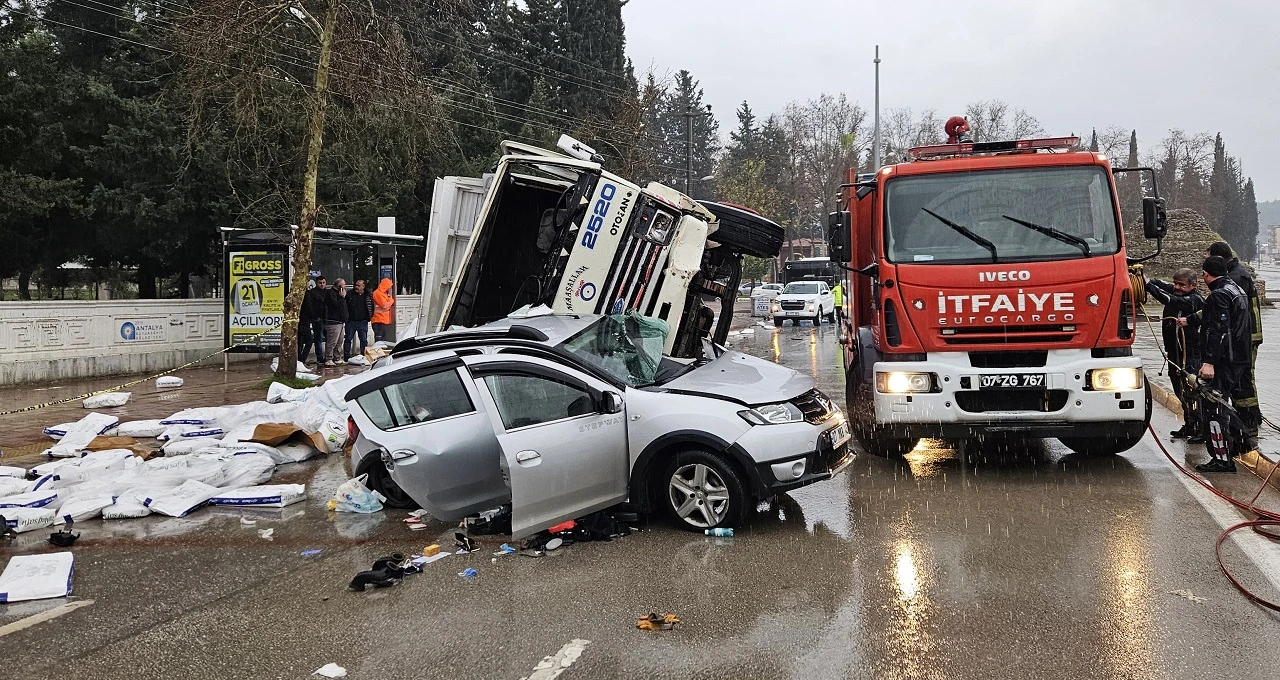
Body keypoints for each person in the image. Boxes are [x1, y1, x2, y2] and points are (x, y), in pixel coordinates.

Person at [1189, 256, 1251, 473]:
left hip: (1225, 359)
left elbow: (1219, 331)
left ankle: (1222, 458)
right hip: (1239, 357)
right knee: (1221, 402)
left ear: (1206, 274)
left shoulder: (1219, 295)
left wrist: (1209, 362)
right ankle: (1242, 440)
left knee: (1213, 404)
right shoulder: (1236, 289)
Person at [1207, 242, 1263, 442]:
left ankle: (1248, 422)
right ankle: (1243, 422)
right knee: (1241, 380)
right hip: (1243, 337)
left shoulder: (1235, 278)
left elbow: (1226, 314)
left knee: (1243, 380)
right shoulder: (1237, 274)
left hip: (1244, 339)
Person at [1145, 268, 1204, 442]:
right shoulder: (1178, 291)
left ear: (1193, 285)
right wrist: (1145, 278)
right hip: (1174, 351)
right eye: (1175, 283)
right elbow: (1163, 286)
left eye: (1181, 285)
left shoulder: (1193, 300)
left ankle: (1200, 428)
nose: (1177, 287)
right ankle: (1189, 424)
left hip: (1190, 352)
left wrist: (1148, 286)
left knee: (1191, 389)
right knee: (1179, 388)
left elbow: (1168, 298)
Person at [301, 276, 329, 366]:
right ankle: (320, 358)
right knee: (318, 339)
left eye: (323, 283)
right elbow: (310, 307)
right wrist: (314, 317)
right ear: (316, 283)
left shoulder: (327, 292)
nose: (322, 284)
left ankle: (328, 357)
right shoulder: (312, 293)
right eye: (320, 283)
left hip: (327, 318)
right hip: (316, 319)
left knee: (329, 339)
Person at [345, 278, 373, 360]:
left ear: (363, 286)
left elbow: (371, 306)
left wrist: (369, 316)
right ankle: (346, 356)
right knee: (348, 339)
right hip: (351, 321)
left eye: (358, 285)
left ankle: (363, 355)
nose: (356, 287)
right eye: (355, 285)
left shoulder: (367, 295)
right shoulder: (350, 294)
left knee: (363, 340)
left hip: (363, 321)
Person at [323, 278, 349, 366]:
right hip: (333, 321)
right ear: (339, 286)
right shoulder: (331, 294)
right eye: (343, 285)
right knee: (332, 341)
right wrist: (341, 297)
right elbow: (335, 305)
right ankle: (328, 358)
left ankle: (337, 357)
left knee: (339, 341)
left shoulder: (340, 294)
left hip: (341, 321)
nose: (345, 287)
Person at [371, 277, 395, 342]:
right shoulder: (378, 293)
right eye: (389, 287)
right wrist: (391, 298)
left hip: (383, 320)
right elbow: (385, 305)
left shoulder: (384, 294)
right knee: (379, 339)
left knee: (383, 339)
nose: (390, 288)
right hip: (378, 320)